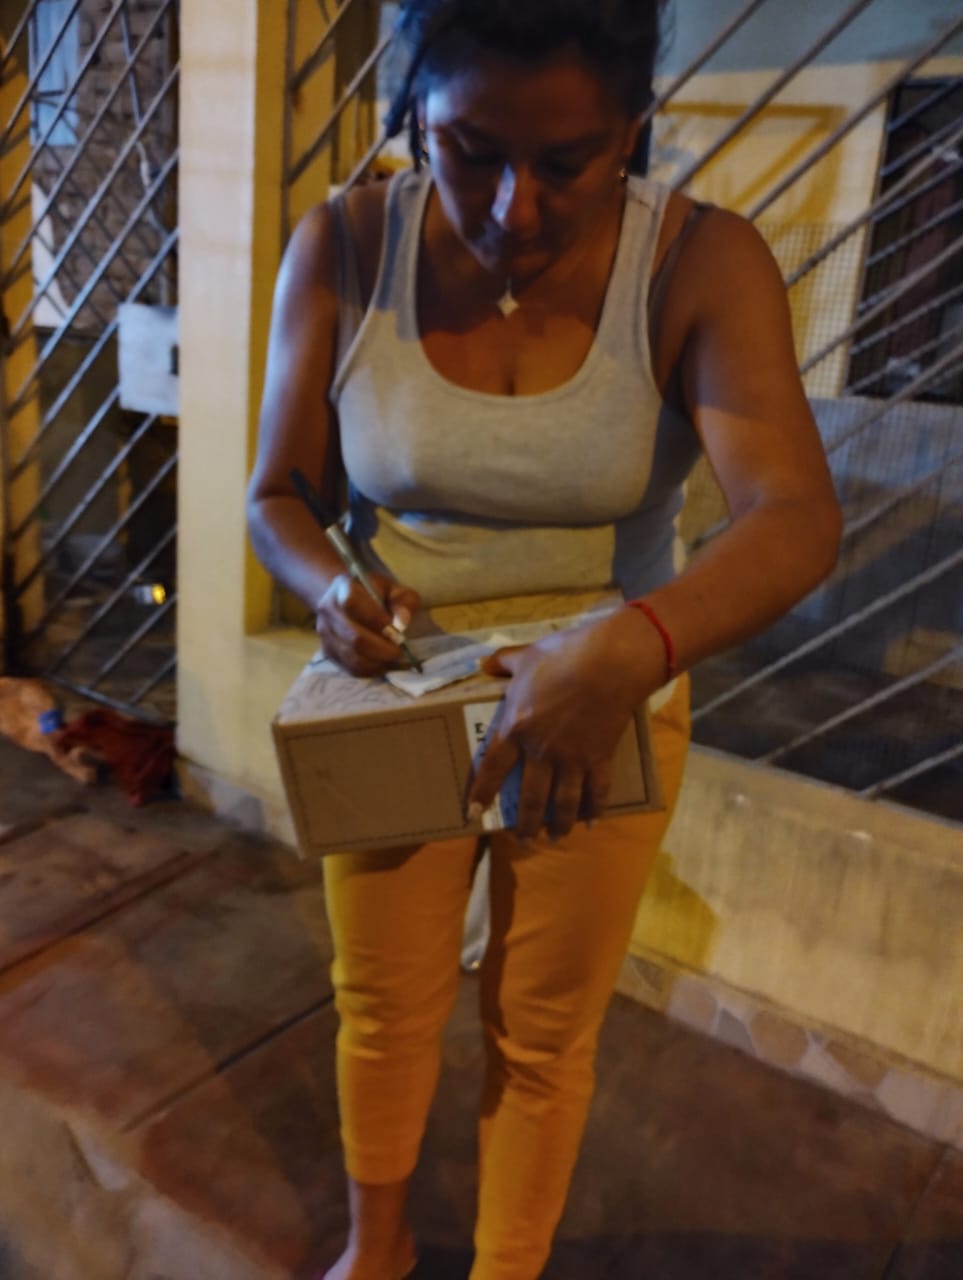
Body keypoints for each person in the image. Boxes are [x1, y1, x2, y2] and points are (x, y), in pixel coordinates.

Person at [247, 2, 842, 1276]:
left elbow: (793, 516)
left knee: (543, 1030)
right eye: (471, 152)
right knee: (383, 1003)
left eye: (568, 162)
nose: (515, 208)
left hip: (605, 701)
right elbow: (277, 496)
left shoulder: (699, 262)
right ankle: (376, 1250)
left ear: (631, 127)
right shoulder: (346, 246)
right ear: (415, 116)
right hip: (399, 699)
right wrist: (330, 584)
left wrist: (630, 647)